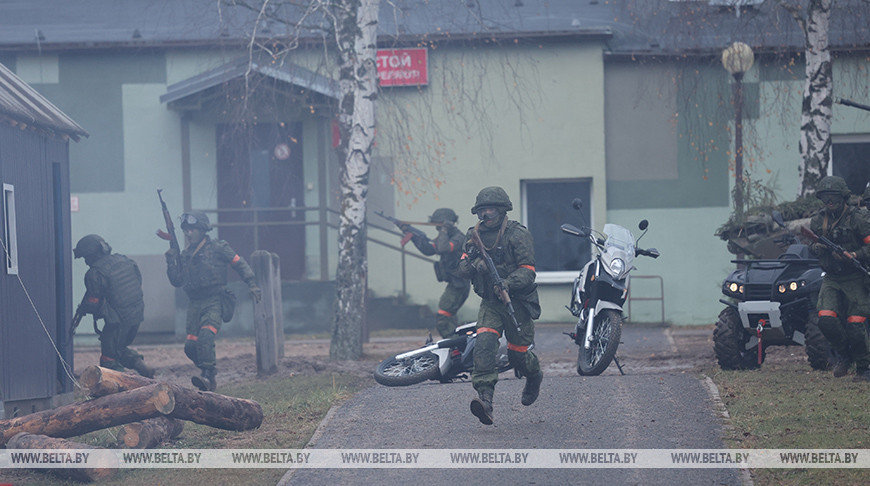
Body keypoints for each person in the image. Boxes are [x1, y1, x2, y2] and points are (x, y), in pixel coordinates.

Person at [457, 186, 543, 424]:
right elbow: (462, 268)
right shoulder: (472, 235)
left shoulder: (517, 234)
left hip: (518, 302)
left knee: (518, 356)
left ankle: (534, 375)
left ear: (503, 210)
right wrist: (476, 265)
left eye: (491, 209)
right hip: (491, 303)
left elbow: (528, 271)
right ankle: (485, 401)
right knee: (483, 344)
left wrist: (507, 283)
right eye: (482, 210)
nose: (487, 214)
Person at [165, 211, 262, 391]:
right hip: (195, 303)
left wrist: (252, 284)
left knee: (206, 336)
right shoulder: (185, 254)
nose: (188, 233)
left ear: (202, 230)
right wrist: (171, 261)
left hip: (214, 299)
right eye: (186, 230)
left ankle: (208, 377)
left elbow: (239, 263)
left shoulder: (218, 247)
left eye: (192, 229)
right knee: (190, 347)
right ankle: (206, 369)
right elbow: (177, 281)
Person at [809, 176, 870, 382]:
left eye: (833, 196)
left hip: (855, 277)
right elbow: (810, 244)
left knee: (855, 324)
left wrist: (854, 255)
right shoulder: (818, 220)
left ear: (843, 197)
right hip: (832, 278)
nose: (829, 201)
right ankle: (845, 355)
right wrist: (817, 248)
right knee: (825, 319)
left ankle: (864, 367)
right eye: (825, 197)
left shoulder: (858, 218)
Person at [74, 234, 154, 378]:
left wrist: (85, 308)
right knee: (119, 348)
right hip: (136, 315)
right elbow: (137, 284)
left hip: (118, 321)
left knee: (109, 358)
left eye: (86, 258)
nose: (86, 262)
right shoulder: (125, 260)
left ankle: (121, 386)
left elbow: (93, 302)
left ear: (91, 255)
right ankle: (140, 365)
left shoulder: (94, 273)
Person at [406, 208, 471, 338]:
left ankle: (454, 344)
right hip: (454, 284)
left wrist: (444, 230)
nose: (437, 228)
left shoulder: (458, 237)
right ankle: (457, 346)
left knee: (443, 318)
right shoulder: (445, 237)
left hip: (460, 285)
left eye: (438, 225)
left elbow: (443, 248)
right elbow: (429, 249)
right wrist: (410, 233)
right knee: (448, 318)